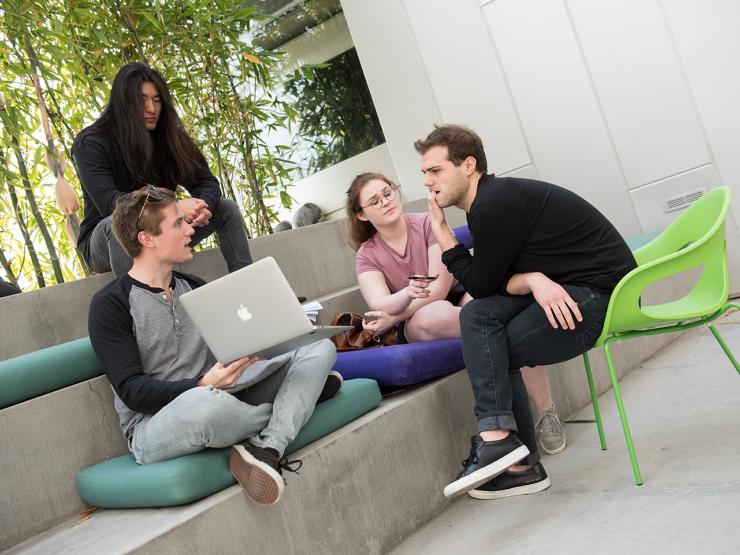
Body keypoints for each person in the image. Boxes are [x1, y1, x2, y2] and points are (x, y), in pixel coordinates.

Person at [416, 124, 636, 500]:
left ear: (468, 164)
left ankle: (514, 458)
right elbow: (494, 284)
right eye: (424, 174)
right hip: (568, 287)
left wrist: (443, 235)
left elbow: (482, 284)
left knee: (492, 346)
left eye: (435, 170)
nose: (428, 182)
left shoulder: (492, 204)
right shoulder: (490, 200)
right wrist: (534, 279)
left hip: (603, 298)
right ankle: (507, 451)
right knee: (477, 317)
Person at [88, 186, 338, 505]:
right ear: (146, 239)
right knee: (204, 407)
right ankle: (297, 403)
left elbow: (233, 348)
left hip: (225, 395)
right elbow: (132, 391)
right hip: (159, 423)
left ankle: (269, 446)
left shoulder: (194, 288)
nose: (191, 229)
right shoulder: (111, 305)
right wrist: (201, 383)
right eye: (178, 224)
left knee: (319, 348)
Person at [346, 172, 567, 455]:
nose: (386, 202)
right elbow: (380, 302)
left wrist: (396, 312)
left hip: (457, 293)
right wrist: (403, 299)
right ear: (362, 215)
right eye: (374, 201)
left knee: (499, 312)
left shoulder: (426, 222)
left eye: (387, 193)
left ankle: (546, 412)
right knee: (438, 316)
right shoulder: (367, 254)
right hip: (417, 317)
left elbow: (439, 287)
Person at [73, 62, 252, 277]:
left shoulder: (168, 136)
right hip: (106, 241)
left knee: (226, 208)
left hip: (164, 229)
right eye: (142, 100)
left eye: (156, 100)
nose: (151, 108)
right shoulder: (91, 142)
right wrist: (173, 209)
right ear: (124, 103)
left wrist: (201, 206)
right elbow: (111, 203)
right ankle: (139, 307)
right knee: (116, 224)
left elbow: (206, 182)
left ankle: (248, 286)